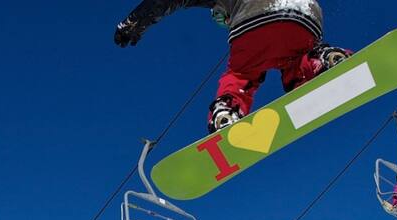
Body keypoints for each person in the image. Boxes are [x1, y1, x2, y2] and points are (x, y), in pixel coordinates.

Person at [114, 0, 351, 132]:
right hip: (306, 15)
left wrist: (133, 23)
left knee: (241, 74)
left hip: (256, 18)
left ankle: (227, 111)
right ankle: (322, 61)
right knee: (298, 63)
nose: (225, 22)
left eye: (221, 18)